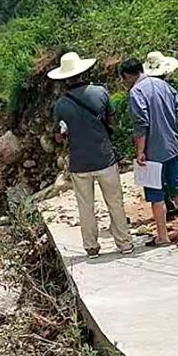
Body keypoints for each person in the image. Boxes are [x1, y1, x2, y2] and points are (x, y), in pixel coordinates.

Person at [48, 51, 134, 257]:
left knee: (85, 207)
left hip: (79, 163)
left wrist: (66, 133)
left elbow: (58, 138)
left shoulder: (60, 105)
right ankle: (124, 243)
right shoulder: (101, 93)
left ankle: (91, 247)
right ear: (83, 72)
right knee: (114, 202)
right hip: (104, 158)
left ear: (64, 78)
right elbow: (112, 121)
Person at [120, 56, 178, 246]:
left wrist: (140, 151)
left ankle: (162, 237)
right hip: (172, 146)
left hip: (153, 152)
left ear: (127, 75)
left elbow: (141, 124)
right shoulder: (165, 86)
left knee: (156, 194)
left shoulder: (136, 92)